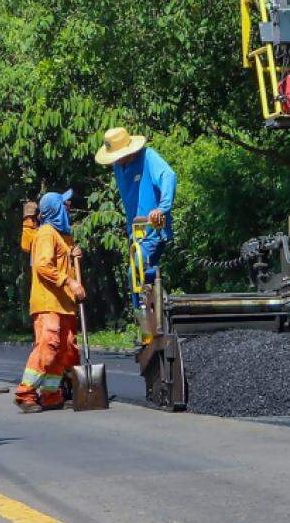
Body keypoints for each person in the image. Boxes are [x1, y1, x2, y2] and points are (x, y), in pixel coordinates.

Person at [15, 190, 84, 414]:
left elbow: (61, 262)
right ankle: (26, 394)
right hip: (48, 302)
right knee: (48, 345)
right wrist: (70, 282)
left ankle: (52, 394)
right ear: (55, 208)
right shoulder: (45, 233)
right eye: (65, 204)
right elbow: (43, 266)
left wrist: (74, 255)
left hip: (64, 303)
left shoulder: (62, 236)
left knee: (64, 349)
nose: (69, 206)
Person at [95, 127, 177, 283]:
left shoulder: (148, 157)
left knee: (135, 272)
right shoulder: (118, 166)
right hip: (135, 230)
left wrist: (162, 208)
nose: (116, 159)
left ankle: (152, 302)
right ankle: (149, 303)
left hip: (153, 228)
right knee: (137, 277)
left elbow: (168, 175)